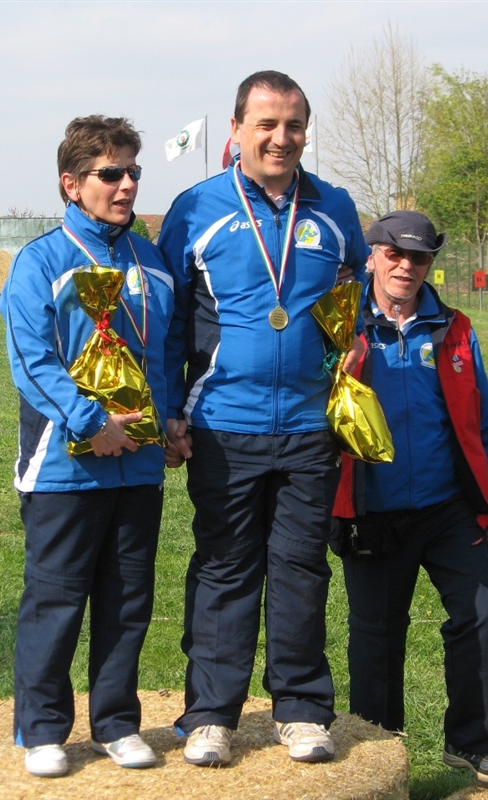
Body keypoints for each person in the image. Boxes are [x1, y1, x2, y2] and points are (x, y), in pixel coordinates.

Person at [158, 70, 369, 767]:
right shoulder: (196, 208)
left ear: (306, 130)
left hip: (311, 428)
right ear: (238, 130)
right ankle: (212, 713)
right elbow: (166, 325)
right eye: (267, 125)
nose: (281, 138)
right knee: (224, 568)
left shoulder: (335, 210)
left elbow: (355, 307)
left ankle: (303, 709)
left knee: (302, 568)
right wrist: (169, 414)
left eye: (293, 125)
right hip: (223, 423)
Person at [0, 115, 174, 778]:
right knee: (56, 598)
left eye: (132, 171)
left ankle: (117, 722)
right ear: (72, 184)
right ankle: (43, 728)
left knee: (129, 597)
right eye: (111, 173)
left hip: (139, 462)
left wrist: (170, 422)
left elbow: (164, 356)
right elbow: (31, 360)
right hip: (62, 467)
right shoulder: (40, 261)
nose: (126, 184)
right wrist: (89, 421)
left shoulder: (149, 260)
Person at [332, 210, 488, 784]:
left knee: (481, 614)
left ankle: (470, 742)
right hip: (373, 510)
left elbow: (484, 420)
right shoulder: (340, 323)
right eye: (395, 254)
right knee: (376, 639)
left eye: (420, 257)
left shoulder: (455, 328)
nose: (406, 266)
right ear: (372, 256)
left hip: (447, 509)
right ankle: (381, 755)